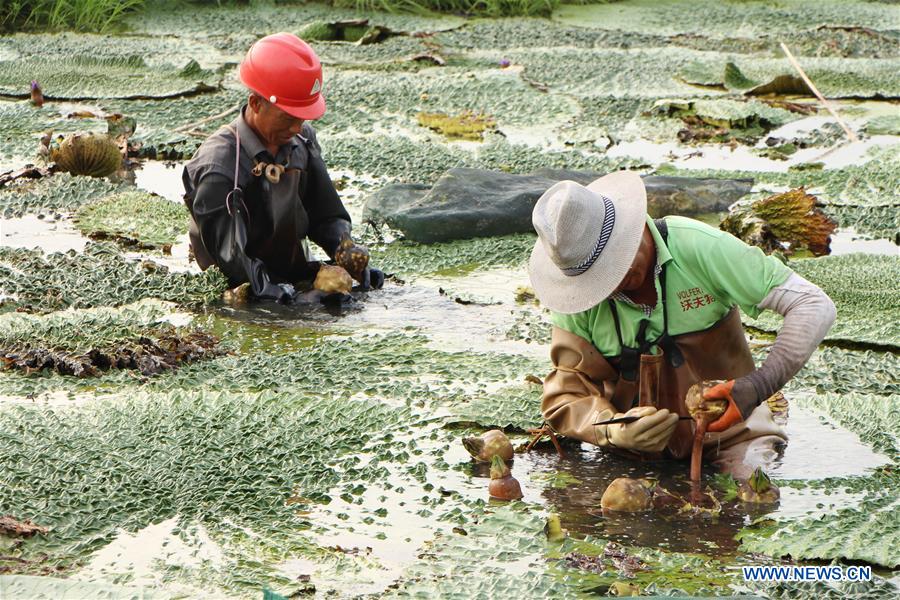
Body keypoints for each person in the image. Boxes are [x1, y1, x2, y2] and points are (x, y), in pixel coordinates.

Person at [528, 171, 836, 478]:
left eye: (612, 270)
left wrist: (757, 386)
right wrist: (614, 431)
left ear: (630, 231)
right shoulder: (578, 297)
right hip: (630, 455)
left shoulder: (701, 248)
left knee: (749, 496)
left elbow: (814, 306)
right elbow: (564, 398)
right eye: (595, 281)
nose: (606, 289)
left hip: (733, 437)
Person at [183, 33, 383, 303]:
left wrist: (345, 249)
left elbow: (325, 214)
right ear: (256, 103)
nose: (297, 128)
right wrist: (291, 299)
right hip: (238, 291)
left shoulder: (301, 140)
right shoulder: (218, 168)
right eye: (288, 117)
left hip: (290, 272)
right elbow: (232, 259)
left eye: (303, 117)